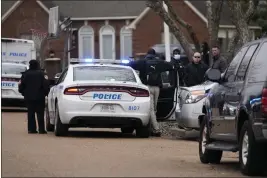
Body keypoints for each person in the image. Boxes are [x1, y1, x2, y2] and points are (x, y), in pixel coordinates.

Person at [129, 48, 174, 137]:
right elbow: (170, 66)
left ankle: (156, 129)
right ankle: (153, 127)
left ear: (147, 54)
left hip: (147, 88)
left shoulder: (142, 62)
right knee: (154, 109)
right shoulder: (160, 62)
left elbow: (131, 65)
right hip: (157, 88)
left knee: (151, 109)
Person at [19, 60, 50, 134]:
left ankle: (31, 129)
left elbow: (21, 86)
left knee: (31, 113)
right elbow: (45, 85)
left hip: (29, 97)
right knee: (40, 114)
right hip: (40, 97)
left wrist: (24, 93)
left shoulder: (25, 74)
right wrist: (45, 93)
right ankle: (41, 129)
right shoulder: (41, 74)